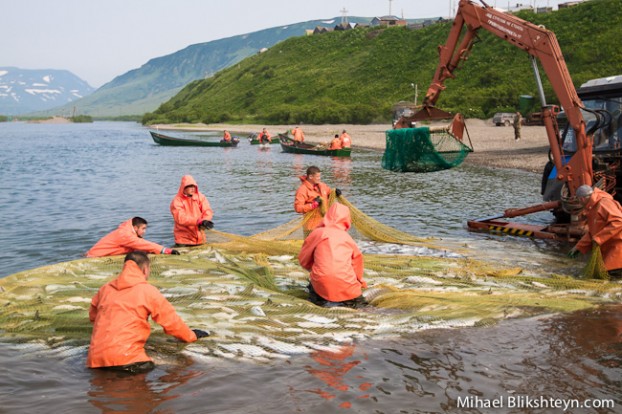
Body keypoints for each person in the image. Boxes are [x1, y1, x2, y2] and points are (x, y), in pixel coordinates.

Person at [87, 251, 209, 373]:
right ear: (145, 269)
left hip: (95, 361)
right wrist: (192, 336)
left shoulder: (105, 289)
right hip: (129, 360)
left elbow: (93, 317)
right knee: (186, 372)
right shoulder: (148, 291)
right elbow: (172, 323)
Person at [298, 203, 367, 308]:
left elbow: (303, 260)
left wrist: (314, 268)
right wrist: (361, 282)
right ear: (346, 219)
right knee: (360, 306)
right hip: (347, 286)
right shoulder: (347, 237)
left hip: (321, 284)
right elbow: (357, 263)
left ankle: (321, 301)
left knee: (316, 296)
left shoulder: (317, 233)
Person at [569, 185, 622, 277]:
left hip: (617, 248)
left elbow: (618, 222)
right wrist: (578, 247)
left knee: (612, 276)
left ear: (582, 199)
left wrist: (598, 239)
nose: (579, 202)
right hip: (609, 249)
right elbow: (592, 232)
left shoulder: (604, 203)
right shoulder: (593, 207)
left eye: (578, 200)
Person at [86, 217, 179, 258]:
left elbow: (141, 245)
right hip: (94, 256)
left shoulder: (127, 233)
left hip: (95, 254)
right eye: (143, 228)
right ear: (135, 228)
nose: (144, 231)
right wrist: (165, 250)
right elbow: (142, 244)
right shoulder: (125, 235)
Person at [294, 166, 341, 235]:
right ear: (310, 177)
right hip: (311, 227)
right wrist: (312, 205)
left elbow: (329, 193)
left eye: (319, 176)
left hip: (325, 224)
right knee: (312, 245)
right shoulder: (302, 190)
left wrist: (335, 192)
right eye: (317, 177)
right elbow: (298, 208)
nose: (319, 178)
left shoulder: (322, 186)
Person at [170, 175, 214, 246]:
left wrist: (205, 220)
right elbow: (181, 219)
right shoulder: (177, 201)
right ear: (183, 188)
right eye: (190, 186)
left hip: (200, 238)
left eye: (194, 186)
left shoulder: (200, 197)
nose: (192, 188)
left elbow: (207, 211)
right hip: (183, 240)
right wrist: (199, 221)